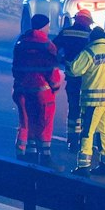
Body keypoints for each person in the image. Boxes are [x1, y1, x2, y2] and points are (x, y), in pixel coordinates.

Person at [11, 15, 66, 163]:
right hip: (42, 92)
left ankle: (26, 153)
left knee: (26, 121)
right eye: (48, 26)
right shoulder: (47, 45)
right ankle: (45, 156)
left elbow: (15, 68)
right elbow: (52, 71)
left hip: (22, 89)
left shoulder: (21, 42)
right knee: (44, 122)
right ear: (44, 27)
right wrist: (55, 86)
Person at [69, 25, 105, 175]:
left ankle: (84, 166)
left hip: (93, 100)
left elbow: (74, 69)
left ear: (91, 38)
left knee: (87, 131)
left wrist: (66, 62)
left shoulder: (90, 52)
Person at [53, 9, 96, 151]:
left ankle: (72, 140)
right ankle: (85, 139)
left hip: (72, 77)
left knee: (73, 108)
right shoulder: (91, 35)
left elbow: (53, 49)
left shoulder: (66, 32)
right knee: (87, 110)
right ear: (88, 22)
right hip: (88, 79)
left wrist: (62, 60)